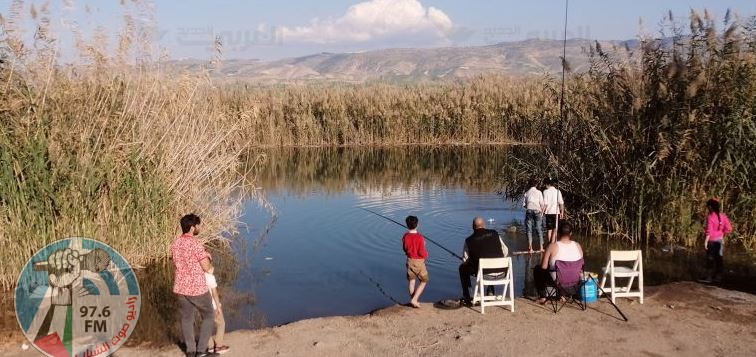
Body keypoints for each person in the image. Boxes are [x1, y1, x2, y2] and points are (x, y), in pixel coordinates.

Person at [171, 214, 219, 357]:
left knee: (186, 319)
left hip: (181, 287)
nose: (199, 227)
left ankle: (190, 351)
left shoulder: (176, 243)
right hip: (197, 288)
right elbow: (207, 268)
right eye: (198, 225)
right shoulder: (196, 244)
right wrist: (209, 260)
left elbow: (178, 262)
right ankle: (202, 350)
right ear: (192, 228)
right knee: (209, 315)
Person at [459, 217, 509, 305]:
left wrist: (467, 260)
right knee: (491, 262)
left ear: (473, 227)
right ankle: (490, 292)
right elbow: (505, 251)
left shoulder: (469, 240)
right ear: (484, 225)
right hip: (503, 272)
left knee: (462, 268)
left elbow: (465, 260)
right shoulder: (495, 234)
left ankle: (468, 296)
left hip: (484, 275)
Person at [534, 220, 583, 304]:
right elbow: (581, 266)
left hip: (559, 283)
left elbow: (544, 267)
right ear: (571, 233)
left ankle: (543, 297)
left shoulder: (552, 246)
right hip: (575, 284)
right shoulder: (578, 246)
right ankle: (562, 295)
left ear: (558, 233)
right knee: (566, 270)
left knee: (538, 269)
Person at [703, 198, 732, 283]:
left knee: (710, 259)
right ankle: (718, 277)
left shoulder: (710, 217)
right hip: (720, 241)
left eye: (708, 207)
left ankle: (709, 278)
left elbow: (709, 231)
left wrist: (705, 241)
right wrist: (722, 235)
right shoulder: (723, 216)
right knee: (719, 259)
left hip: (711, 242)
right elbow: (729, 229)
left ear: (710, 207)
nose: (708, 208)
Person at [402, 215, 428, 308]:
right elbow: (421, 252)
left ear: (407, 225)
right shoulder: (420, 237)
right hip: (419, 262)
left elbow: (405, 248)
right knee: (424, 281)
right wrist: (425, 252)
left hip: (409, 261)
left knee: (411, 281)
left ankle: (414, 300)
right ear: (418, 225)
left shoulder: (405, 236)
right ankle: (414, 299)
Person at [205, 267, 230, 354]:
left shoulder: (198, 276)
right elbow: (214, 293)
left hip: (202, 305)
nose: (212, 267)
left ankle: (210, 346)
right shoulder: (209, 277)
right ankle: (218, 346)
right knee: (221, 323)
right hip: (212, 305)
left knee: (207, 325)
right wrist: (218, 306)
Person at [522, 178, 546, 252]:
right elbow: (542, 204)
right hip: (537, 211)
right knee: (539, 228)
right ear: (536, 184)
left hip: (529, 210)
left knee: (529, 230)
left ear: (529, 184)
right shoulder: (539, 192)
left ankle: (530, 248)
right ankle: (541, 247)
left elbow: (524, 205)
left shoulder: (526, 193)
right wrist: (542, 212)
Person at [543, 178, 565, 244]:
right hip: (556, 213)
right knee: (555, 229)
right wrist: (562, 213)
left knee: (549, 230)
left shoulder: (545, 191)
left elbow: (545, 204)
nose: (545, 186)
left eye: (545, 184)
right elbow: (561, 203)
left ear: (547, 184)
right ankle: (554, 243)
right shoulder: (558, 191)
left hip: (548, 212)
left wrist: (542, 212)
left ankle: (550, 244)